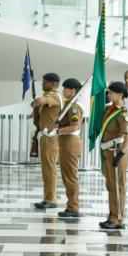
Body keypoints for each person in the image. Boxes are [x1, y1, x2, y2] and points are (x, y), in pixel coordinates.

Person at [98, 81, 128, 230]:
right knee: (111, 186)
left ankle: (118, 219)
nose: (108, 94)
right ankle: (111, 216)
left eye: (111, 92)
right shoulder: (110, 109)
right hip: (108, 151)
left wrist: (121, 153)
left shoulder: (123, 112)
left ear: (119, 94)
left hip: (117, 152)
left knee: (118, 187)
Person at [31, 73, 63, 209]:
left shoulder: (54, 96)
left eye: (44, 82)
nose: (42, 84)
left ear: (52, 84)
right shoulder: (49, 96)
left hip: (51, 138)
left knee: (50, 169)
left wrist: (36, 101)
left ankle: (51, 199)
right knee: (46, 169)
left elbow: (38, 102)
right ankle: (47, 197)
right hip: (45, 136)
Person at [57, 78, 84, 218]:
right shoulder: (69, 105)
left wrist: (57, 131)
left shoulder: (74, 107)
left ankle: (73, 207)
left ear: (73, 91)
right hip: (66, 142)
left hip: (70, 142)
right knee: (67, 175)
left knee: (70, 176)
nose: (63, 91)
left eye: (66, 89)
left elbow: (75, 126)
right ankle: (71, 205)